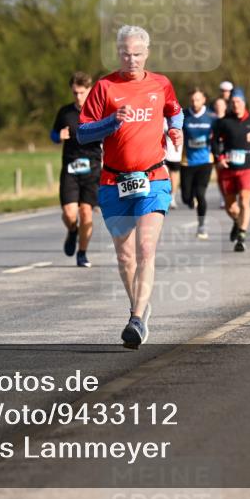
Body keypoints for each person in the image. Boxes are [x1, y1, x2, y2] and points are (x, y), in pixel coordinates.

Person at [77, 25, 181, 348]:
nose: (131, 59)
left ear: (147, 53)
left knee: (146, 248)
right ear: (118, 53)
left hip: (153, 178)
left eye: (137, 54)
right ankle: (140, 306)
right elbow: (82, 133)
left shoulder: (161, 84)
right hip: (113, 181)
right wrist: (112, 121)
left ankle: (135, 319)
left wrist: (176, 130)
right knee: (125, 258)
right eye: (125, 54)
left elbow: (175, 113)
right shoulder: (104, 87)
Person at [51, 72, 102, 267]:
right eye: (75, 93)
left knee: (86, 212)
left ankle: (82, 253)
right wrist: (58, 136)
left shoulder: (98, 112)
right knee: (70, 213)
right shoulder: (65, 112)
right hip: (70, 168)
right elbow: (53, 134)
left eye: (82, 93)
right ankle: (72, 230)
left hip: (92, 168)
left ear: (89, 90)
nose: (78, 97)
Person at [211, 88, 250, 252]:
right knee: (230, 207)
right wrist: (220, 158)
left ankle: (242, 235)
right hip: (228, 169)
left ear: (244, 102)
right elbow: (214, 142)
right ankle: (237, 221)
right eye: (233, 102)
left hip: (247, 168)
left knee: (244, 200)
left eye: (239, 101)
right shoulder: (224, 122)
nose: (236, 105)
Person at [180, 87, 216, 239]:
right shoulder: (183, 115)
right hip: (187, 162)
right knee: (186, 197)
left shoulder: (211, 117)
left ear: (204, 100)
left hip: (205, 161)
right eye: (193, 100)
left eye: (198, 100)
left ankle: (201, 226)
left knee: (200, 194)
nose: (195, 103)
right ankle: (190, 199)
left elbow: (220, 133)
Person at [164, 117, 182, 209]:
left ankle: (173, 197)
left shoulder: (177, 117)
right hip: (162, 153)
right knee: (165, 176)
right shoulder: (159, 116)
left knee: (174, 176)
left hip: (174, 153)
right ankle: (166, 196)